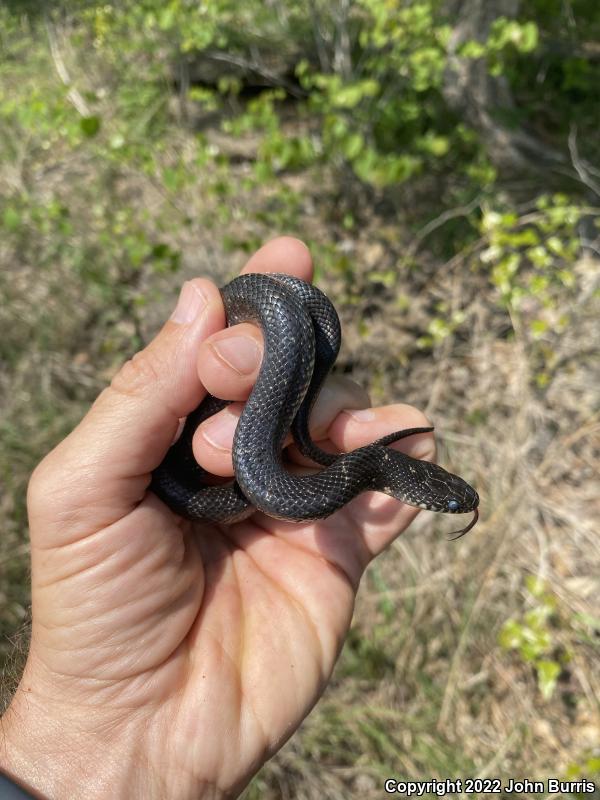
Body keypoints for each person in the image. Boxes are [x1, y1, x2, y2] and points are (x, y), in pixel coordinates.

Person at [0, 237, 436, 799]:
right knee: (257, 400)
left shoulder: (323, 487)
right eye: (438, 502)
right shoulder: (297, 486)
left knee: (278, 396)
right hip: (201, 495)